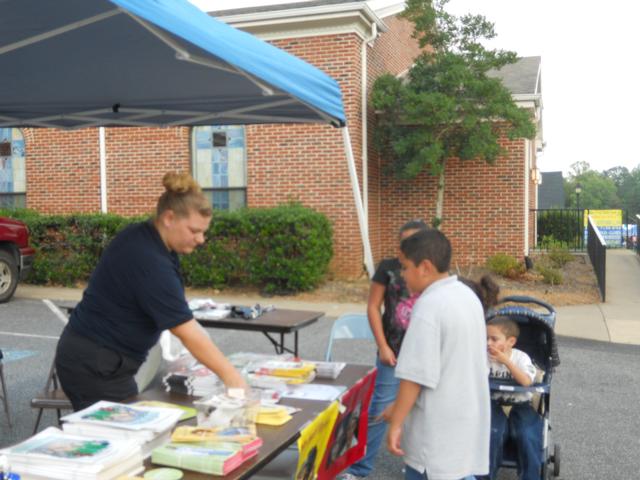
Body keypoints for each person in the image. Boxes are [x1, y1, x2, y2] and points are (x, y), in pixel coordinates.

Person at [55, 172, 246, 411]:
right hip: (94, 365)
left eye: (203, 232)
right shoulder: (147, 258)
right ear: (169, 218)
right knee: (122, 439)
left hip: (100, 359)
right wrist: (233, 379)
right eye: (194, 230)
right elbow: (185, 330)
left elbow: (181, 317)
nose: (201, 239)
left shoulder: (150, 241)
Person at [386, 229, 490, 480]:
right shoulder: (467, 296)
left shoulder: (429, 307)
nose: (402, 275)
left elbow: (415, 376)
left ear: (424, 267)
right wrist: (398, 407)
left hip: (435, 435)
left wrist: (396, 422)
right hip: (464, 424)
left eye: (405, 267)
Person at [339, 220, 429, 480]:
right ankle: (359, 468)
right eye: (404, 243)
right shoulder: (388, 268)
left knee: (422, 409)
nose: (408, 248)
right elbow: (373, 306)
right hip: (392, 352)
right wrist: (382, 345)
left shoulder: (427, 271)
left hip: (423, 353)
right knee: (379, 408)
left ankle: (416, 463)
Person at [485, 316, 543, 480]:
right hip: (493, 403)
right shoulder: (484, 357)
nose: (489, 343)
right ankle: (485, 475)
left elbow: (525, 381)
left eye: (494, 339)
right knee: (493, 432)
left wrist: (506, 362)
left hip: (521, 404)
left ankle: (530, 477)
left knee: (528, 434)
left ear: (511, 341)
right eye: (486, 338)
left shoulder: (521, 358)